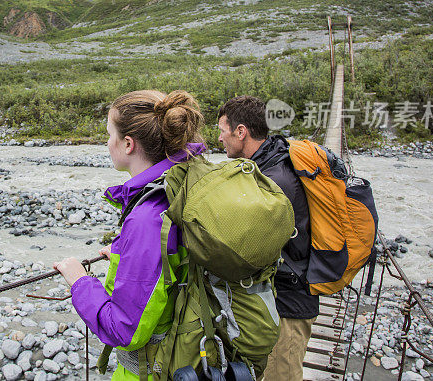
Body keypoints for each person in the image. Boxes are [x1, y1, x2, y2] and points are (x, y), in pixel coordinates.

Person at [53, 89, 205, 380]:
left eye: (109, 134)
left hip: (153, 371)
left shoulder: (148, 216)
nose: (107, 143)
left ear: (127, 144)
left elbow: (124, 329)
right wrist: (129, 259)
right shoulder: (183, 180)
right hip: (187, 352)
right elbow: (170, 267)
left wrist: (80, 282)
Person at [217, 95, 318, 381]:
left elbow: (246, 244)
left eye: (223, 130)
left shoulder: (272, 181)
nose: (220, 137)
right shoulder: (272, 159)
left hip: (288, 303)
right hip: (281, 294)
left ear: (241, 132)